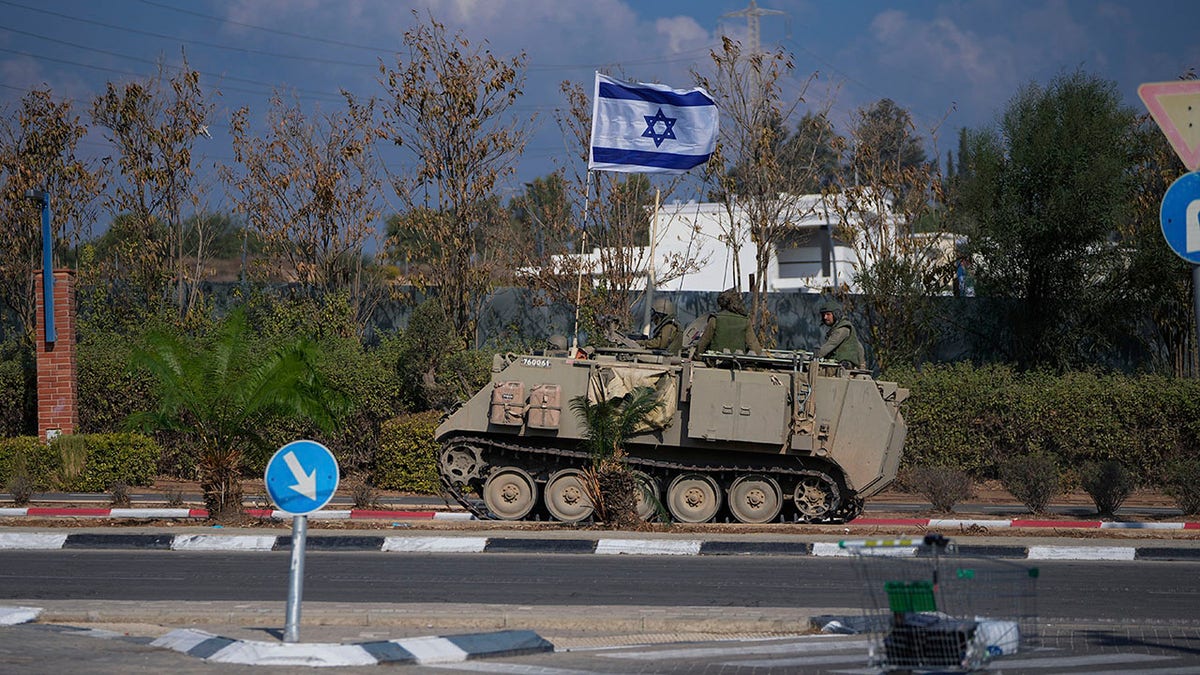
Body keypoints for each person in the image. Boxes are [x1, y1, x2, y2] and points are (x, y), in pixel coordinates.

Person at [694, 287, 763, 354]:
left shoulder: (715, 319)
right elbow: (753, 344)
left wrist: (697, 356)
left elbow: (704, 341)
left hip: (716, 361)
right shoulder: (745, 321)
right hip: (737, 362)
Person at [814, 299, 865, 369]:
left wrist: (815, 356)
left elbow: (831, 344)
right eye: (823, 315)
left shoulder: (842, 329)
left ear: (836, 314)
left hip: (842, 366)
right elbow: (859, 346)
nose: (825, 317)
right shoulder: (840, 327)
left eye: (828, 314)